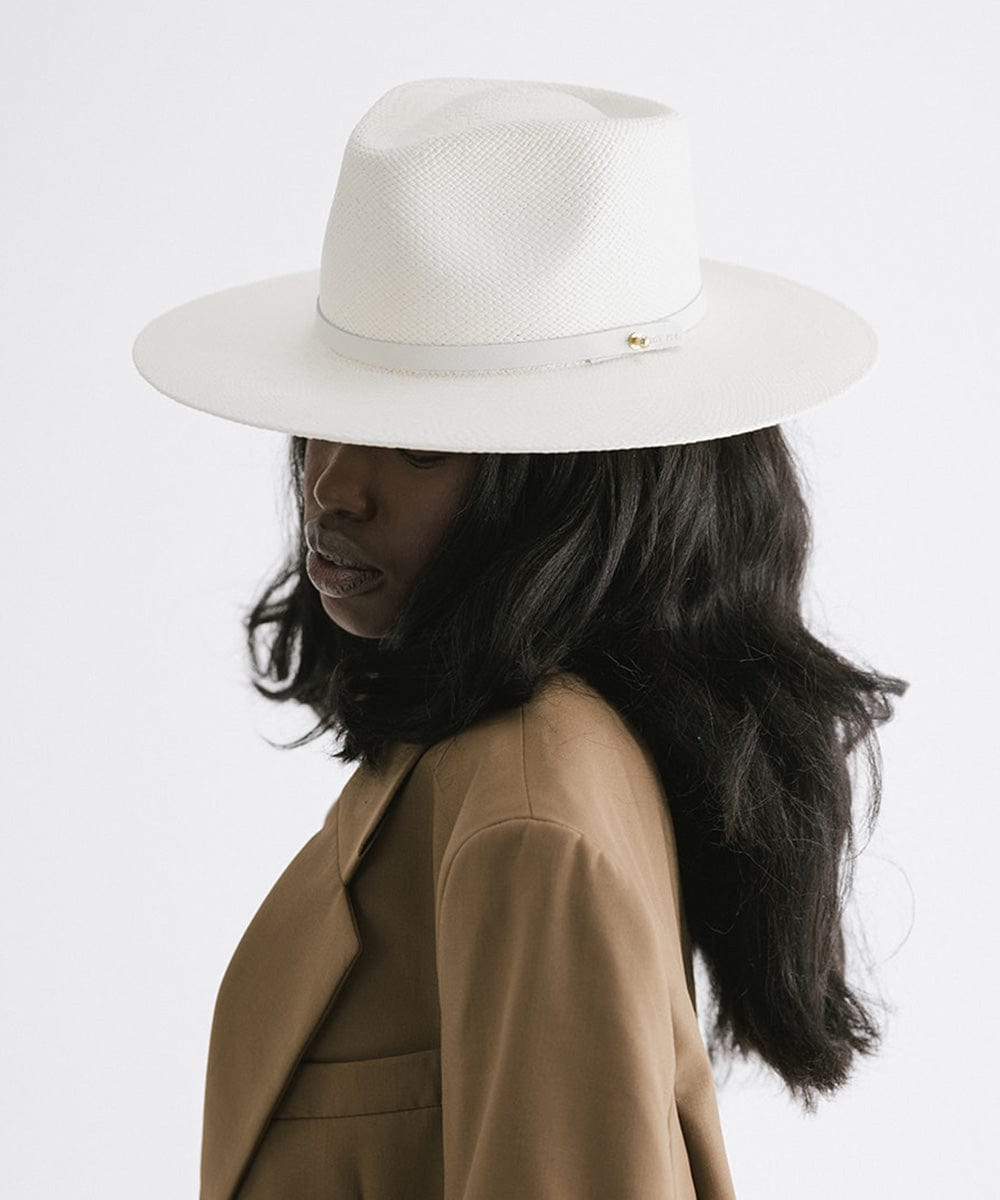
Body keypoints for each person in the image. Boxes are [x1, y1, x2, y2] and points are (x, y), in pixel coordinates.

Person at [132, 77, 908, 1200]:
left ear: (566, 488)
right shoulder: (490, 760)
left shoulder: (527, 821)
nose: (333, 485)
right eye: (329, 417)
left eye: (420, 444)